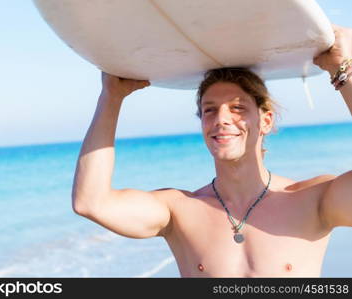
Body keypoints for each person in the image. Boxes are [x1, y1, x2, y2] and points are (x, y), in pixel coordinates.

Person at [72, 24, 352, 277]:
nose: (222, 119)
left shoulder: (313, 201)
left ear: (265, 121)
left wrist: (343, 71)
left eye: (238, 108)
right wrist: (111, 96)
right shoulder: (179, 211)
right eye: (209, 110)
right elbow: (90, 202)